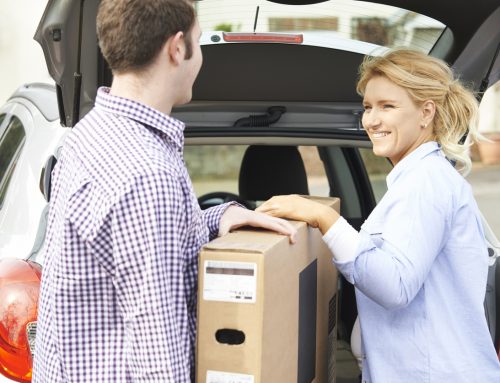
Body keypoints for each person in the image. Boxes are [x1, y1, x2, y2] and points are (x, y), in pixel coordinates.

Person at [32, 1, 296, 382]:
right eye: (199, 42)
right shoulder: (149, 173)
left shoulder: (88, 136)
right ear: (177, 48)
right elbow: (158, 353)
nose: (200, 56)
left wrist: (219, 215)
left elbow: (122, 246)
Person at [257, 48, 500, 382]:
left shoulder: (425, 183)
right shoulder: (420, 178)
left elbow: (394, 286)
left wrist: (324, 218)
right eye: (368, 107)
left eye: (387, 106)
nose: (371, 120)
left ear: (425, 112)